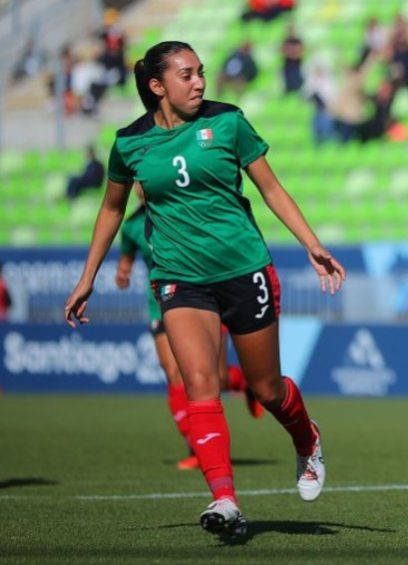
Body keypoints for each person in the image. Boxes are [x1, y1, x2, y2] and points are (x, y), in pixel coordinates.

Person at [64, 41, 346, 539]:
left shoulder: (229, 121)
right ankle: (225, 499)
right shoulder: (129, 143)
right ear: (157, 86)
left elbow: (271, 188)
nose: (199, 83)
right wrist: (88, 277)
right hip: (179, 277)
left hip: (243, 269)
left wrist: (312, 244)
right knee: (199, 382)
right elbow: (111, 210)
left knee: (266, 388)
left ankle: (307, 438)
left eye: (201, 73)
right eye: (187, 75)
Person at [115, 193, 264, 471]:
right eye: (136, 181)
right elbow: (125, 262)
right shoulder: (132, 226)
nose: (141, 187)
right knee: (174, 373)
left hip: (202, 299)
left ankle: (246, 383)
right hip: (161, 304)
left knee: (213, 378)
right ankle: (196, 445)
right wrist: (122, 273)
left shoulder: (182, 210)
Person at [280, 24, 305, 94]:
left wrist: (292, 52)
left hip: (296, 65)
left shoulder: (298, 40)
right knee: (289, 83)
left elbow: (301, 51)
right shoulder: (286, 41)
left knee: (297, 83)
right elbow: (283, 51)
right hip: (288, 65)